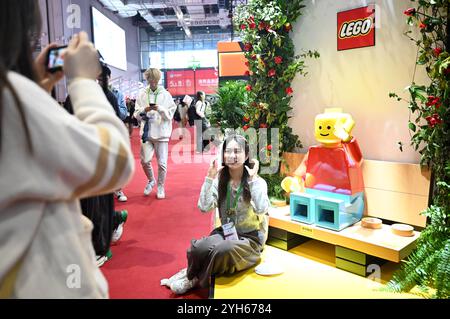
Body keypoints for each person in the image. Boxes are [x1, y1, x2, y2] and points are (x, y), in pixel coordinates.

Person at [0, 0, 134, 298]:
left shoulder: (17, 98)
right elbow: (117, 161)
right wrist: (84, 81)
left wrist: (34, 89)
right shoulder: (12, 99)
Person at [161, 134, 270, 295]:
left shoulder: (257, 182)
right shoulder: (220, 180)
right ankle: (189, 272)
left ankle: (193, 277)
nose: (232, 156)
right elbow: (204, 207)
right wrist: (209, 178)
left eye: (237, 152)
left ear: (246, 156)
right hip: (226, 231)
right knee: (198, 247)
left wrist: (253, 180)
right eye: (228, 151)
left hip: (250, 238)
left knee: (222, 250)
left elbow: (262, 209)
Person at [134, 68, 176, 199]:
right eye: (149, 80)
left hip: (162, 133)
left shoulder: (166, 94)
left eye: (154, 80)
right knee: (145, 160)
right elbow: (136, 114)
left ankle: (160, 186)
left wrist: (161, 109)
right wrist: (144, 110)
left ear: (158, 80)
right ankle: (151, 180)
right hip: (146, 132)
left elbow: (170, 115)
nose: (152, 83)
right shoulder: (142, 94)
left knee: (162, 163)